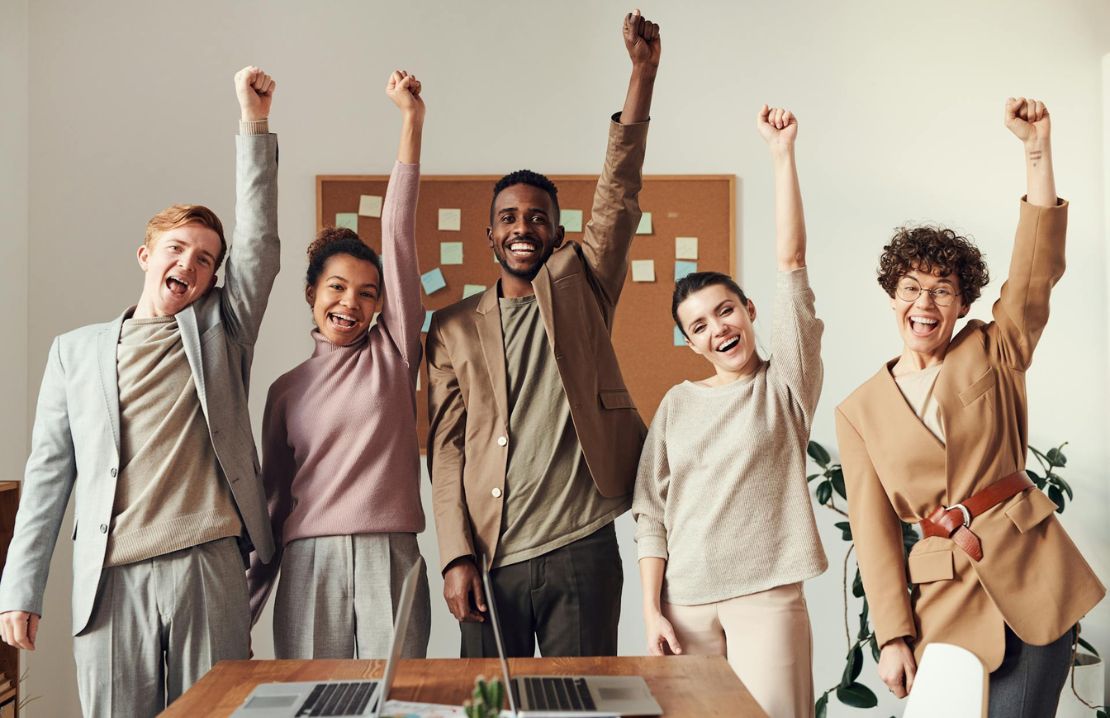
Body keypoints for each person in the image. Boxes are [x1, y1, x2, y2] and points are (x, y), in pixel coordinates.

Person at [0, 66, 280, 716]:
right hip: (110, 576)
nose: (190, 263)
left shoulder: (222, 335)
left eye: (207, 258)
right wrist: (21, 588)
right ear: (146, 256)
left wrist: (254, 122)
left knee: (216, 712)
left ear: (215, 279)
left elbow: (260, 245)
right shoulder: (74, 352)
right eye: (177, 249)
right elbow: (47, 479)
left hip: (207, 564)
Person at [835, 98, 1105, 716]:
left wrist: (1036, 151)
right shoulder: (859, 410)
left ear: (961, 303)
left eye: (941, 290)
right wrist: (893, 635)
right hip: (943, 599)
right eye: (910, 288)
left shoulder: (993, 347)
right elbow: (875, 536)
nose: (923, 303)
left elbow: (1035, 273)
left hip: (1031, 577)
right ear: (891, 295)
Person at [425, 10, 660, 658]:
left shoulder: (582, 283)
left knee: (580, 705)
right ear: (491, 235)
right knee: (484, 704)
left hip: (581, 547)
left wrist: (642, 76)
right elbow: (445, 452)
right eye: (508, 217)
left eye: (537, 217)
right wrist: (454, 557)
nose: (522, 226)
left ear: (557, 232)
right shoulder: (450, 329)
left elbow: (619, 192)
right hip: (489, 556)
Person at [633, 106, 826, 718]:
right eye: (699, 325)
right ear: (689, 342)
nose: (717, 328)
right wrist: (651, 608)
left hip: (765, 599)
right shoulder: (676, 404)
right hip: (685, 605)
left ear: (747, 310)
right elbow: (651, 513)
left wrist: (781, 156)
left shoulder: (784, 387)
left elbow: (791, 265)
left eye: (725, 311)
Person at [246, 71, 430, 659]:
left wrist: (410, 121)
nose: (351, 302)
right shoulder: (285, 391)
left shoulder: (395, 353)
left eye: (368, 293)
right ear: (311, 293)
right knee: (311, 702)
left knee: (395, 701)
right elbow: (273, 505)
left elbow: (397, 233)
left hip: (391, 556)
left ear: (382, 304)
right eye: (337, 288)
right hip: (307, 564)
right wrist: (244, 611)